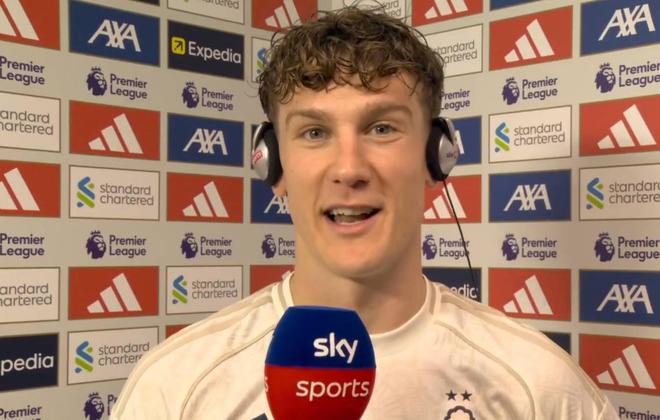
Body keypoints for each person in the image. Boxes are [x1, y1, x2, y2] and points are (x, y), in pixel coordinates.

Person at [111, 7, 618, 419]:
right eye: (314, 133)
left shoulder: (539, 388)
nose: (349, 169)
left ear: (436, 157)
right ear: (273, 164)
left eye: (381, 128)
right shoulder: (175, 387)